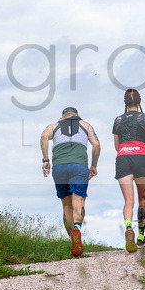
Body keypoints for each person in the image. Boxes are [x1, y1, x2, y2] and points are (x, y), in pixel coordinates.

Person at [41, 106, 100, 257]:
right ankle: (77, 229)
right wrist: (93, 165)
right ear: (77, 116)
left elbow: (43, 137)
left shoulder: (53, 126)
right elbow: (96, 145)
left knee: (66, 206)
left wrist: (46, 160)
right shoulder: (86, 125)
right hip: (79, 167)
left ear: (62, 118)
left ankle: (72, 239)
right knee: (78, 202)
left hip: (59, 167)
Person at [112, 88, 145, 252]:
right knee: (142, 198)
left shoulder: (118, 120)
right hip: (141, 157)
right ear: (139, 101)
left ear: (124, 103)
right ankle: (141, 238)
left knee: (128, 200)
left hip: (123, 157)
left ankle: (129, 228)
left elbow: (116, 146)